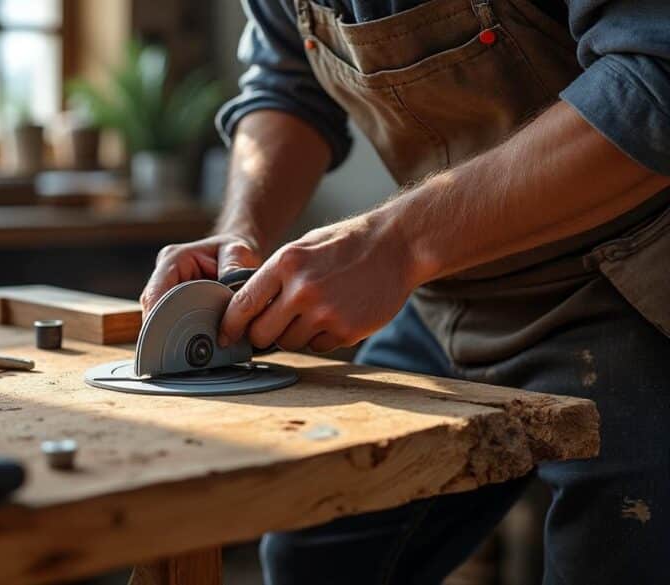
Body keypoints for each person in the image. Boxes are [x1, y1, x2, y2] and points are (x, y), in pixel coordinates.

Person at [140, 1, 670, 583]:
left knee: (615, 558)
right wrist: (242, 230)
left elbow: (653, 84)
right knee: (317, 556)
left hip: (631, 278)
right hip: (448, 294)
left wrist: (397, 244)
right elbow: (286, 87)